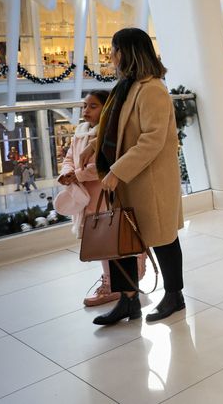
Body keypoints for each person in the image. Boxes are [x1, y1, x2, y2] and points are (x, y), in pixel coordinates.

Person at [90, 27, 185, 325]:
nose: (112, 56)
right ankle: (128, 301)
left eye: (114, 49)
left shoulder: (152, 88)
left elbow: (152, 139)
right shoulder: (125, 86)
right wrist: (92, 147)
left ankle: (174, 296)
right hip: (130, 180)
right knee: (124, 240)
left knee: (163, 239)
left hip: (149, 181)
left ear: (128, 52)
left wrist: (117, 171)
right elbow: (116, 129)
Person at [58, 90, 146, 307]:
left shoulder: (107, 136)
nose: (86, 110)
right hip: (87, 198)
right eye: (85, 105)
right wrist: (66, 171)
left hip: (104, 196)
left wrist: (76, 175)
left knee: (109, 241)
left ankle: (113, 284)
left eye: (93, 106)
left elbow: (101, 166)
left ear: (106, 109)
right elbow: (70, 157)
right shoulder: (80, 132)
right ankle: (112, 280)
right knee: (100, 242)